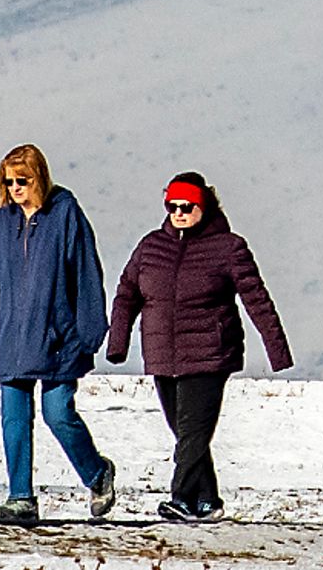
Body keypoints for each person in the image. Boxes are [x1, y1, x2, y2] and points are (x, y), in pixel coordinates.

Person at [102, 170, 292, 522]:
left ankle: (181, 499)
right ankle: (208, 500)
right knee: (186, 433)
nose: (179, 213)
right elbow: (126, 294)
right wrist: (118, 342)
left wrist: (277, 350)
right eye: (172, 206)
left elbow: (257, 299)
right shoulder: (150, 246)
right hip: (162, 355)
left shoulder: (229, 248)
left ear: (204, 206)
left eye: (187, 206)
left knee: (192, 432)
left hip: (209, 355)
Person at [0, 142, 118, 525]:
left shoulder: (66, 215)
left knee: (58, 414)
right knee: (14, 418)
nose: (15, 188)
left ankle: (97, 474)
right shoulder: (1, 224)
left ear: (39, 176)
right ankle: (21, 497)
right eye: (8, 181)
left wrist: (91, 332)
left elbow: (87, 275)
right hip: (14, 341)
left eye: (22, 180)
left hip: (60, 340)